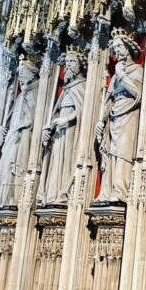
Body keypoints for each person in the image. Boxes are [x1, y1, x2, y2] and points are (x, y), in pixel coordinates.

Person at [94, 27, 144, 202]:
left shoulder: (137, 70)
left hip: (129, 114)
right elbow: (108, 99)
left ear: (129, 47)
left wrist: (122, 75)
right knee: (111, 152)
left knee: (123, 151)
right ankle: (108, 190)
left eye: (120, 47)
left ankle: (121, 190)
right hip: (115, 116)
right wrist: (101, 120)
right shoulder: (115, 76)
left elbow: (138, 93)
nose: (117, 52)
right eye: (115, 49)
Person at [39, 47, 88, 206]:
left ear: (80, 65)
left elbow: (84, 110)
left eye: (72, 61)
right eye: (66, 63)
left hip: (71, 130)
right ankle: (52, 194)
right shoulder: (66, 89)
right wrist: (48, 128)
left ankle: (63, 194)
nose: (68, 66)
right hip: (59, 131)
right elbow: (55, 112)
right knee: (56, 160)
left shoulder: (83, 85)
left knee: (67, 159)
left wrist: (67, 119)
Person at [0, 59, 40, 207]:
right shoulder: (20, 96)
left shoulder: (36, 93)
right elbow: (10, 118)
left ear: (31, 75)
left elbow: (32, 119)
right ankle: (3, 199)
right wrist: (2, 129)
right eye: (19, 75)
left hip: (23, 138)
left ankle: (15, 198)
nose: (20, 78)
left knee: (18, 166)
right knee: (5, 165)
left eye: (23, 74)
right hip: (11, 137)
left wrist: (18, 127)